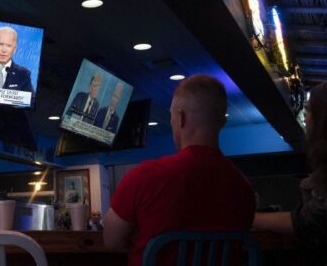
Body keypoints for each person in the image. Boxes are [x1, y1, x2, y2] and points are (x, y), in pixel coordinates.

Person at [103, 74, 256, 265]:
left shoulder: (145, 176)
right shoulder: (244, 189)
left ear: (180, 117)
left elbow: (111, 240)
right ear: (221, 121)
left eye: (171, 117)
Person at [253, 79, 327, 265]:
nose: (305, 119)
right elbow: (306, 221)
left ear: (326, 118)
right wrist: (250, 219)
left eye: (308, 111)